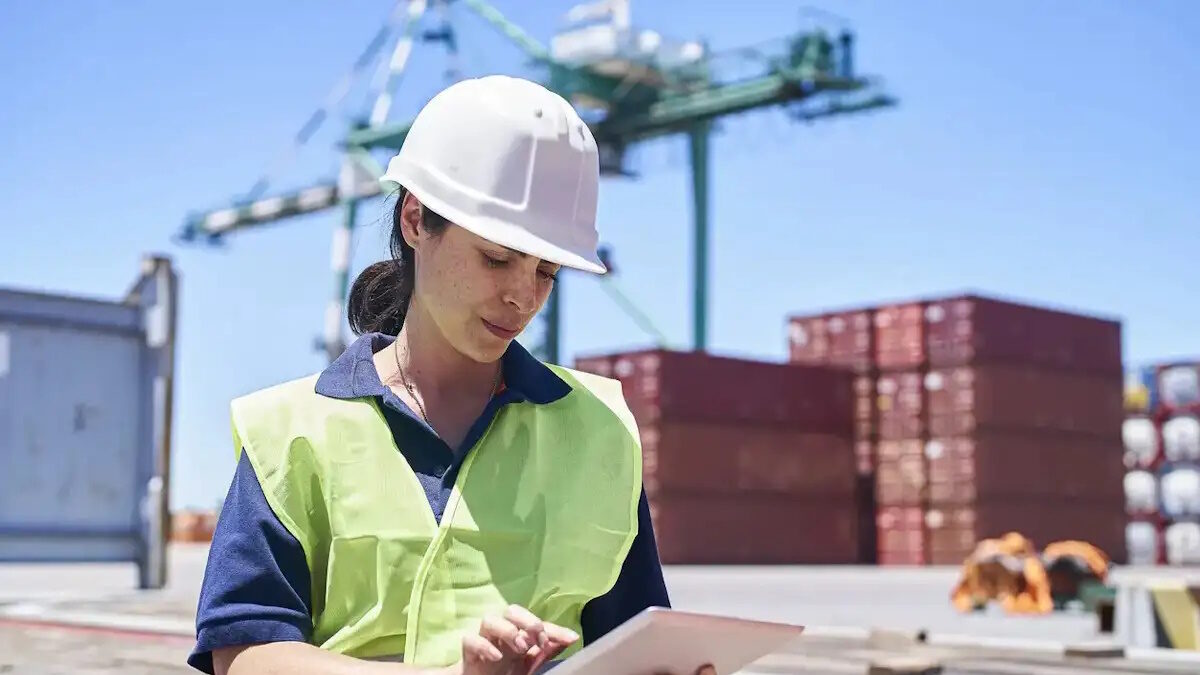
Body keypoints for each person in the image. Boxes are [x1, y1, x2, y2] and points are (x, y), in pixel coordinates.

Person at [187, 75, 714, 675]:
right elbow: (244, 651)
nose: (523, 298)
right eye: (497, 258)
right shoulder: (289, 433)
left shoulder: (600, 432)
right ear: (416, 221)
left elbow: (633, 643)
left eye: (547, 272)